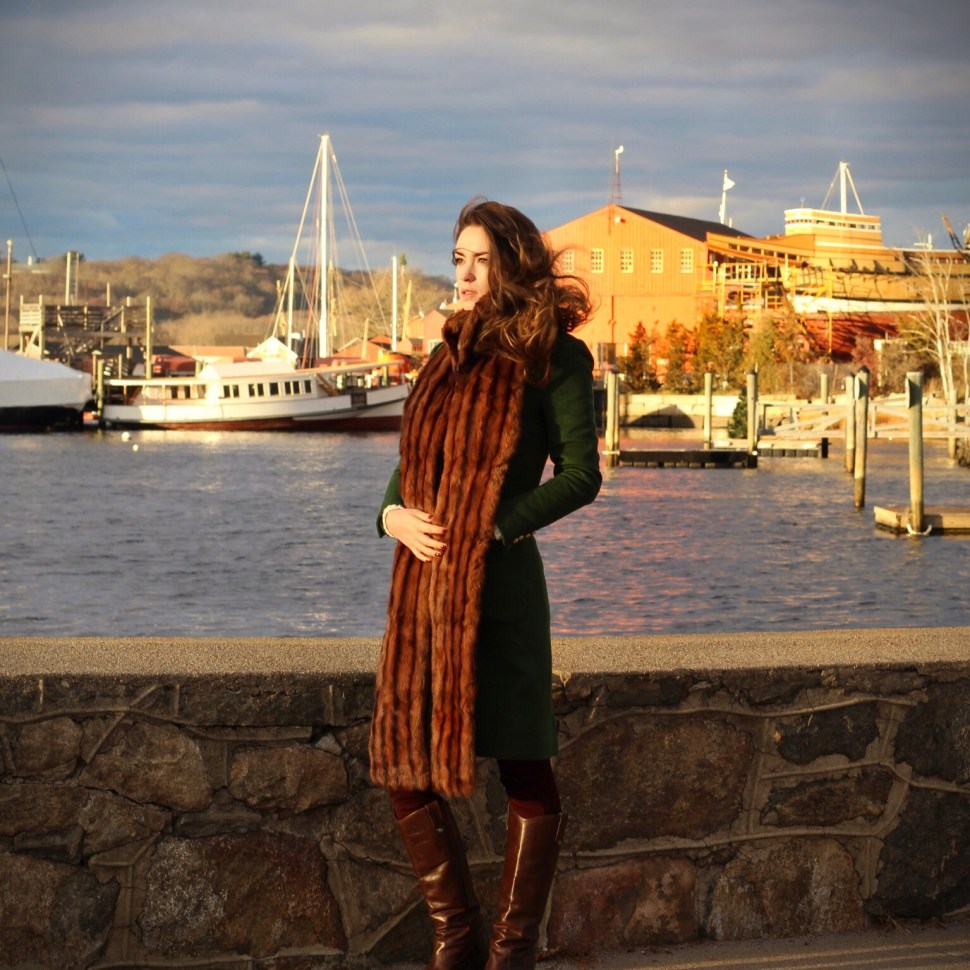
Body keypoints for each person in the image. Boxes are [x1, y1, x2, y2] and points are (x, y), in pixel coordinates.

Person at [369, 199, 602, 970]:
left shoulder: (554, 357)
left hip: (500, 595)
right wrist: (391, 515)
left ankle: (511, 950)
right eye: (458, 260)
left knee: (524, 766)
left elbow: (580, 476)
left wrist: (496, 527)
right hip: (422, 597)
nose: (465, 274)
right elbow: (412, 466)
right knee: (404, 766)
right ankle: (457, 937)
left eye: (481, 260)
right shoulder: (444, 356)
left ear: (513, 266)